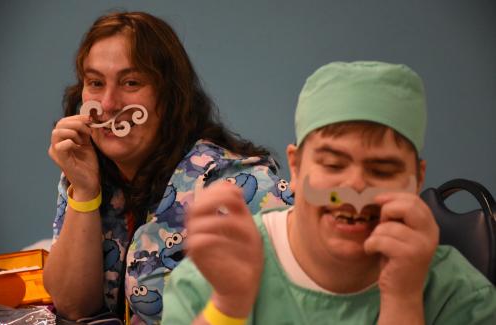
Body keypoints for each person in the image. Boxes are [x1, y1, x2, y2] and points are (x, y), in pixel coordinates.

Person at [162, 61, 496, 324]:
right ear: (295, 168)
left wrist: (404, 300)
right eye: (333, 165)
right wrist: (228, 307)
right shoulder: (211, 276)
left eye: (383, 170)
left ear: (417, 178)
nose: (355, 186)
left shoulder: (459, 296)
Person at [44, 11, 292, 323]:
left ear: (170, 96)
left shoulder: (240, 186)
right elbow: (73, 307)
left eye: (131, 82)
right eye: (95, 82)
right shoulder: (85, 171)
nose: (107, 104)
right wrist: (84, 191)